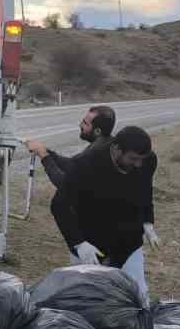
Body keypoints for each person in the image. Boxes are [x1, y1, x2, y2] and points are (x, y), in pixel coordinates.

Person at [46, 124, 160, 301]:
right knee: (85, 297)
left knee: (138, 294)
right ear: (116, 149)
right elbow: (59, 205)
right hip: (90, 241)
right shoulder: (86, 164)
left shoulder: (147, 161)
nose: (138, 164)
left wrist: (147, 222)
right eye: (133, 159)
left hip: (127, 240)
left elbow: (144, 190)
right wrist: (79, 243)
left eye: (141, 159)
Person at [25, 104, 114, 256]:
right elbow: (72, 165)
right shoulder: (105, 145)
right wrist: (46, 151)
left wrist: (45, 157)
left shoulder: (96, 155)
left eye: (85, 123)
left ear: (97, 131)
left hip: (100, 236)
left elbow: (64, 182)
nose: (80, 125)